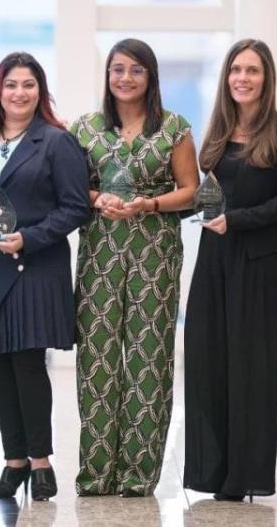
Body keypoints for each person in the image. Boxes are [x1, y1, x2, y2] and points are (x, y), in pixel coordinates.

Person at [0, 52, 90, 502]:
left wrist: (29, 238)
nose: (19, 93)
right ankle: (13, 464)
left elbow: (75, 207)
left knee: (27, 363)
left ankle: (42, 464)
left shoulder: (55, 141)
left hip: (34, 266)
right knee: (2, 365)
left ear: (39, 92)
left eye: (28, 85)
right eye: (11, 85)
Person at [69, 39, 197, 497]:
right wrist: (94, 197)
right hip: (99, 254)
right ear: (107, 76)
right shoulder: (84, 128)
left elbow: (191, 190)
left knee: (149, 359)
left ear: (151, 77)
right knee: (97, 358)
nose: (125, 78)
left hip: (155, 251)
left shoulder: (174, 128)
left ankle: (138, 474)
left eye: (136, 70)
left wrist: (150, 203)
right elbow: (69, 188)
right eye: (117, 69)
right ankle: (96, 471)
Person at [182, 38, 277, 501]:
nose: (243, 78)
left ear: (267, 78)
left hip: (257, 260)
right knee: (208, 361)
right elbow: (202, 194)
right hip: (213, 260)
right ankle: (211, 474)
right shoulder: (215, 132)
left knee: (251, 369)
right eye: (236, 70)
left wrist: (235, 221)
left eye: (252, 70)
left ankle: (245, 476)